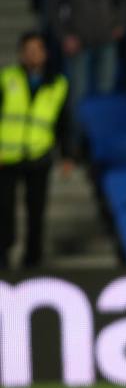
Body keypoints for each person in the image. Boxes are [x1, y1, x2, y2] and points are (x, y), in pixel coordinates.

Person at [0, 32, 71, 269]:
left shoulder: (58, 84)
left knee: (36, 211)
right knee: (3, 210)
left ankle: (32, 260)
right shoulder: (6, 79)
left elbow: (65, 122)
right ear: (21, 53)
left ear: (45, 53)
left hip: (39, 155)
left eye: (37, 49)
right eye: (28, 50)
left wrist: (67, 154)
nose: (32, 55)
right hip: (6, 157)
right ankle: (3, 256)